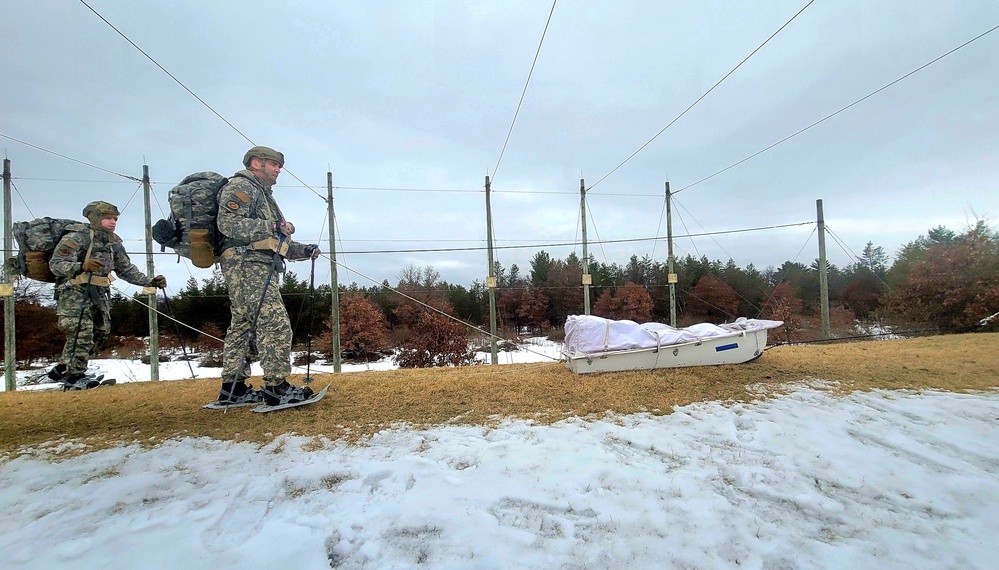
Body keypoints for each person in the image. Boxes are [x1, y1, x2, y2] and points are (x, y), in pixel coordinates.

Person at [215, 146, 321, 406]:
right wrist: (272, 225)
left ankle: (233, 389)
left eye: (279, 166)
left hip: (256, 265)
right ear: (255, 163)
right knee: (274, 323)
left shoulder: (264, 195)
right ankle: (277, 388)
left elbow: (275, 241)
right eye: (273, 164)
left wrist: (303, 250)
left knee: (242, 327)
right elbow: (227, 223)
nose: (278, 170)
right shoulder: (242, 187)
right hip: (246, 265)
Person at [48, 201, 167, 390]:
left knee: (100, 332)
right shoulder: (77, 237)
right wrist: (80, 266)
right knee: (81, 333)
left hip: (100, 293)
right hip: (75, 293)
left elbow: (125, 268)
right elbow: (56, 264)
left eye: (115, 219)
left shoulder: (113, 242)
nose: (113, 222)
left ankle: (63, 368)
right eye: (108, 218)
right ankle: (73, 377)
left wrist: (149, 281)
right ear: (95, 218)